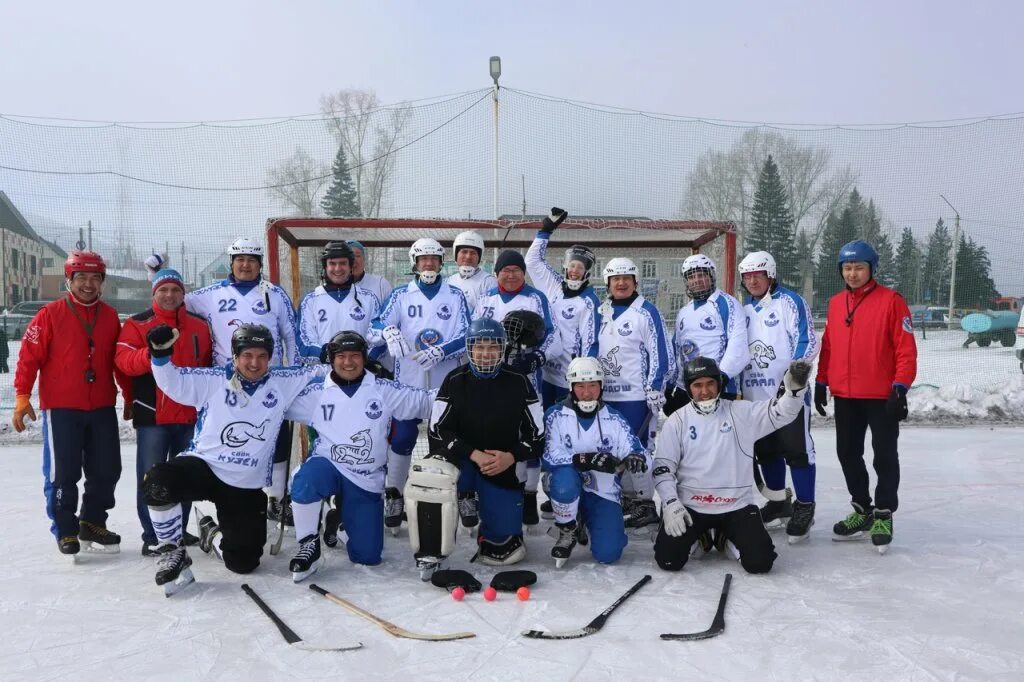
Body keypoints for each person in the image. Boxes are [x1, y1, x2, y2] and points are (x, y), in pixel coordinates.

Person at [141, 323, 323, 595]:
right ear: (235, 356)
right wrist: (159, 355)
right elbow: (174, 382)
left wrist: (350, 362)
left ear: (270, 358)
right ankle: (171, 549)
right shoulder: (214, 379)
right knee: (158, 480)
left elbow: (324, 372)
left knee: (244, 563)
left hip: (244, 484)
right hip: (204, 466)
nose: (254, 363)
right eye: (247, 355)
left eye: (262, 356)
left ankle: (211, 535)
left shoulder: (283, 381)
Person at [282, 331, 434, 582]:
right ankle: (308, 544)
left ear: (364, 358)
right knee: (307, 478)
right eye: (341, 356)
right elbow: (270, 402)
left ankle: (339, 523)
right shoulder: (316, 392)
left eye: (354, 356)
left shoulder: (383, 389)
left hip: (366, 478)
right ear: (331, 359)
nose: (348, 362)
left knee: (368, 556)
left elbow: (425, 402)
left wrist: (462, 390)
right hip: (328, 464)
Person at [13, 251, 131, 557]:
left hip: (102, 405)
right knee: (63, 472)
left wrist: (129, 396)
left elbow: (119, 363)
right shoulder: (49, 315)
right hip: (62, 408)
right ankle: (65, 529)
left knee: (107, 469)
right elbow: (28, 358)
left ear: (102, 282)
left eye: (95, 278)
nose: (88, 284)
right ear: (69, 280)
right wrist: (23, 396)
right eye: (82, 278)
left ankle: (91, 522)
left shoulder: (109, 317)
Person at [653, 356, 812, 575]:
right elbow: (662, 468)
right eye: (697, 385)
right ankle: (698, 539)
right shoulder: (677, 421)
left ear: (719, 384)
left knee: (760, 564)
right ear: (689, 389)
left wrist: (794, 392)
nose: (705, 391)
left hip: (735, 505)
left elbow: (781, 413)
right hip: (691, 506)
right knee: (668, 560)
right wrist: (671, 504)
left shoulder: (741, 412)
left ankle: (726, 538)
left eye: (710, 383)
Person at [412, 318, 545, 577]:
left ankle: (488, 523)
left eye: (493, 347)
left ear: (503, 348)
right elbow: (437, 429)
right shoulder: (454, 379)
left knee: (506, 550)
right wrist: (471, 453)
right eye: (479, 347)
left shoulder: (519, 381)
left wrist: (512, 457)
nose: (485, 353)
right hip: (461, 461)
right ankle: (432, 545)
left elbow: (538, 434)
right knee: (429, 472)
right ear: (469, 349)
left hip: (499, 466)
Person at [185, 237, 300, 525]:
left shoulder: (275, 293)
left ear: (260, 264)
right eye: (240, 260)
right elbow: (173, 300)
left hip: (268, 380)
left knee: (276, 436)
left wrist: (295, 373)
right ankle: (226, 494)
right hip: (227, 385)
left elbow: (290, 335)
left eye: (251, 260)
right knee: (229, 438)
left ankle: (276, 498)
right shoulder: (210, 294)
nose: (245, 265)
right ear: (232, 263)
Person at [815, 240, 917, 553]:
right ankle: (862, 509)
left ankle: (884, 513)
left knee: (884, 455)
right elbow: (829, 345)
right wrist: (821, 380)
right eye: (848, 268)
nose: (853, 273)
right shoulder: (835, 303)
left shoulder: (892, 301)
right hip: (845, 394)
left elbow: (905, 348)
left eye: (859, 267)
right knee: (848, 452)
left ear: (871, 269)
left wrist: (900, 386)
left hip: (880, 395)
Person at [367, 238, 470, 531]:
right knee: (402, 438)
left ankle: (462, 492)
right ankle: (394, 494)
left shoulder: (455, 295)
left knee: (450, 438)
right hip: (407, 380)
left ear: (441, 263)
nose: (429, 264)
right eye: (423, 259)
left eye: (434, 259)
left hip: (445, 378)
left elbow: (467, 333)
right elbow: (375, 326)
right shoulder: (401, 294)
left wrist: (444, 350)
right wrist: (387, 330)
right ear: (415, 262)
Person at [116, 268, 213, 555]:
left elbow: (208, 365)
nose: (169, 295)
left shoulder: (199, 325)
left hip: (190, 416)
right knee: (150, 476)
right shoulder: (137, 324)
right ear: (154, 293)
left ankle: (178, 531)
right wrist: (152, 352)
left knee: (182, 477)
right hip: (153, 417)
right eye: (164, 290)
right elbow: (123, 362)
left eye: (175, 290)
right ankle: (153, 536)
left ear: (183, 294)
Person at [474, 249, 561, 526]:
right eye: (505, 270)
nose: (510, 275)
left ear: (523, 273)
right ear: (496, 272)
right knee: (492, 430)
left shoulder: (537, 298)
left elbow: (553, 335)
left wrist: (536, 358)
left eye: (516, 270)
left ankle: (529, 495)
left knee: (529, 434)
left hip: (525, 376)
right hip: (490, 376)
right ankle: (493, 489)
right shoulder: (486, 297)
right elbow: (472, 333)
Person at [738, 251, 820, 543]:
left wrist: (796, 374)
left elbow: (807, 339)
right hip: (754, 399)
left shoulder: (789, 302)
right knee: (767, 452)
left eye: (757, 275)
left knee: (797, 451)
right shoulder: (742, 310)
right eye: (747, 277)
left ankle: (805, 505)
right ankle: (777, 501)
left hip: (788, 397)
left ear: (770, 275)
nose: (752, 281)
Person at [543, 356, 647, 568]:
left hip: (603, 491)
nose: (587, 392)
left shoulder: (614, 418)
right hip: (568, 485)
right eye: (580, 386)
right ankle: (568, 529)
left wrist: (635, 456)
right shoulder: (555, 415)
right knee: (564, 481)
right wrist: (584, 459)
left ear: (601, 386)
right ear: (571, 387)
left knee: (609, 553)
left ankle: (588, 521)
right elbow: (548, 456)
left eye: (592, 385)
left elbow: (634, 447)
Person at [595, 257, 674, 532]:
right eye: (616, 278)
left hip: (635, 396)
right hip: (604, 397)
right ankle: (627, 501)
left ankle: (645, 504)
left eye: (626, 278)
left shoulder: (646, 312)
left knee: (637, 450)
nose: (621, 282)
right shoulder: (601, 312)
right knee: (611, 449)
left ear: (635, 282)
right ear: (608, 283)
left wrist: (654, 387)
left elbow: (662, 353)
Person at [524, 208, 602, 409]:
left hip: (567, 378)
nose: (575, 270)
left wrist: (582, 379)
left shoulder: (589, 301)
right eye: (572, 265)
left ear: (586, 272)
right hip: (543, 371)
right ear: (566, 266)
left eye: (580, 267)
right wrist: (546, 230)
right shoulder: (554, 284)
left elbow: (591, 342)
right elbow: (532, 261)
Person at [667, 254, 748, 413]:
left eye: (701, 275)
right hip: (689, 388)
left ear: (711, 276)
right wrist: (670, 386)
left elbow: (738, 346)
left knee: (719, 436)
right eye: (691, 277)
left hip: (719, 387)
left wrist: (720, 378)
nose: (696, 280)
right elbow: (676, 352)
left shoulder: (728, 304)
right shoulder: (684, 311)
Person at [297, 241, 381, 364]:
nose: (337, 268)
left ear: (350, 266)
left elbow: (379, 339)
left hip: (360, 372)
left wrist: (366, 360)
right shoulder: (310, 300)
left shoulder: (369, 298)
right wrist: (329, 357)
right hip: (324, 376)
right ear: (325, 266)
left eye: (343, 263)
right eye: (332, 263)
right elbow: (303, 344)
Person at [447, 230, 497, 314]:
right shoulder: (449, 281)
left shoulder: (489, 282)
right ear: (456, 254)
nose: (468, 256)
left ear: (479, 257)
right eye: (464, 252)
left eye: (473, 253)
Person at [346, 240, 393, 306]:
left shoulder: (380, 284)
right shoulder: (334, 288)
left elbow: (391, 311)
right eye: (348, 256)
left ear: (364, 260)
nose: (353, 260)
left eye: (357, 255)